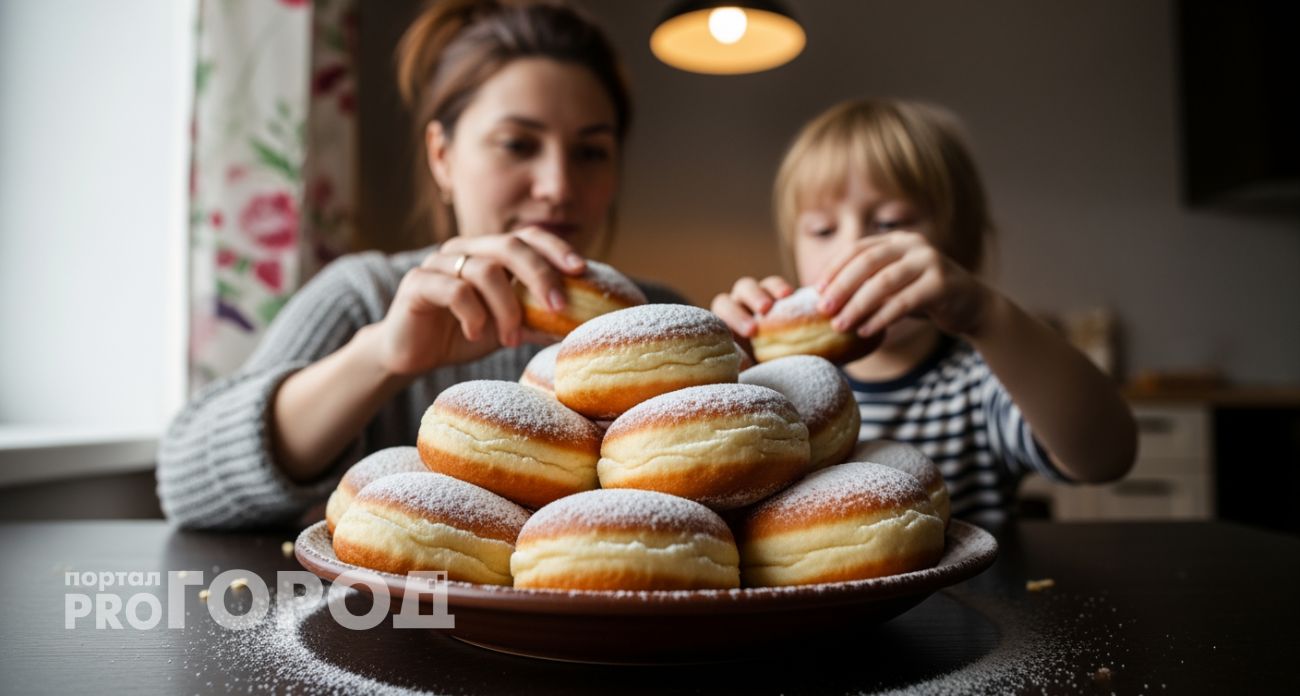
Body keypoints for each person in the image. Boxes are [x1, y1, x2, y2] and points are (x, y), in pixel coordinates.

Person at [158, 0, 680, 529]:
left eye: (590, 153)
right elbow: (185, 484)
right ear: (442, 156)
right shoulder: (367, 296)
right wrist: (383, 356)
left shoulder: (665, 324)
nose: (558, 187)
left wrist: (755, 347)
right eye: (518, 145)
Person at [711, 99, 1136, 526]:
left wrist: (987, 315)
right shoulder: (779, 385)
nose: (852, 248)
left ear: (956, 249)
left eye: (891, 223)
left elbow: (1106, 456)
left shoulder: (980, 380)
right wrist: (735, 366)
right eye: (823, 230)